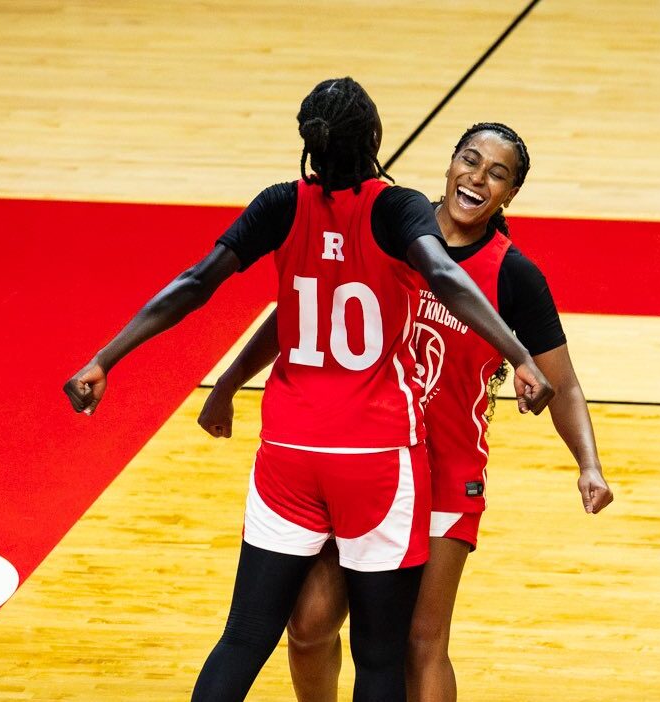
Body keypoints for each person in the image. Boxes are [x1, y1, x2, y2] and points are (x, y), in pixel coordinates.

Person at [64, 78, 554, 702]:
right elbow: (445, 277)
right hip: (376, 458)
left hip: (288, 454)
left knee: (244, 637)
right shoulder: (397, 208)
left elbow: (195, 284)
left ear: (308, 142)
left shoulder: (280, 205)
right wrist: (518, 355)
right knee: (382, 656)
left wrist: (105, 358)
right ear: (375, 139)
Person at [198, 122, 613, 702]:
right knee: (309, 625)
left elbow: (561, 383)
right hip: (361, 458)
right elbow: (300, 312)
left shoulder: (512, 273)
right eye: (470, 161)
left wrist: (588, 464)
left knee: (420, 640)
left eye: (498, 174)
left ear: (510, 196)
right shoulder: (394, 228)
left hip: (445, 473)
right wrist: (232, 380)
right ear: (449, 164)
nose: (478, 178)